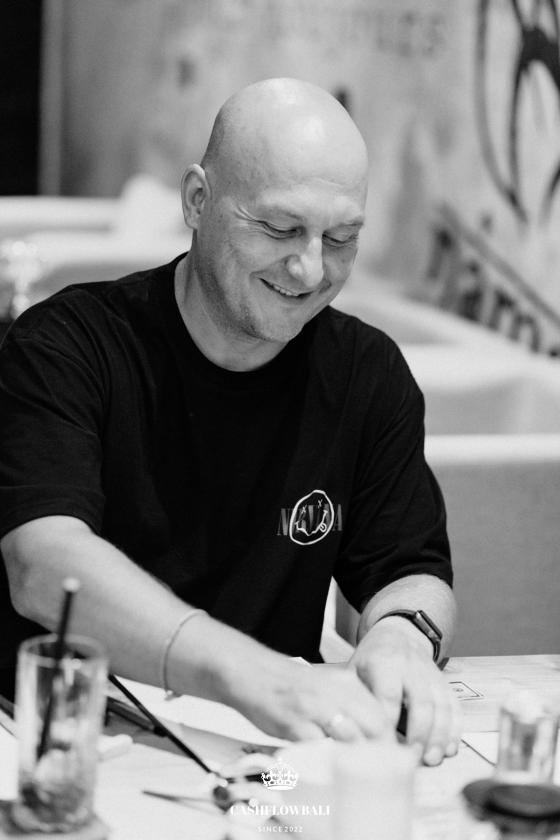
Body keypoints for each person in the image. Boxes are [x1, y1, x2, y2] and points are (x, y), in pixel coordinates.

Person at [0, 78, 459, 764]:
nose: (310, 269)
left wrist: (402, 638)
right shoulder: (68, 346)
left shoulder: (367, 373)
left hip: (259, 762)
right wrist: (256, 677)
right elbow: (44, 565)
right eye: (280, 229)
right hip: (72, 743)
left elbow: (410, 566)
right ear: (197, 200)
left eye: (341, 238)